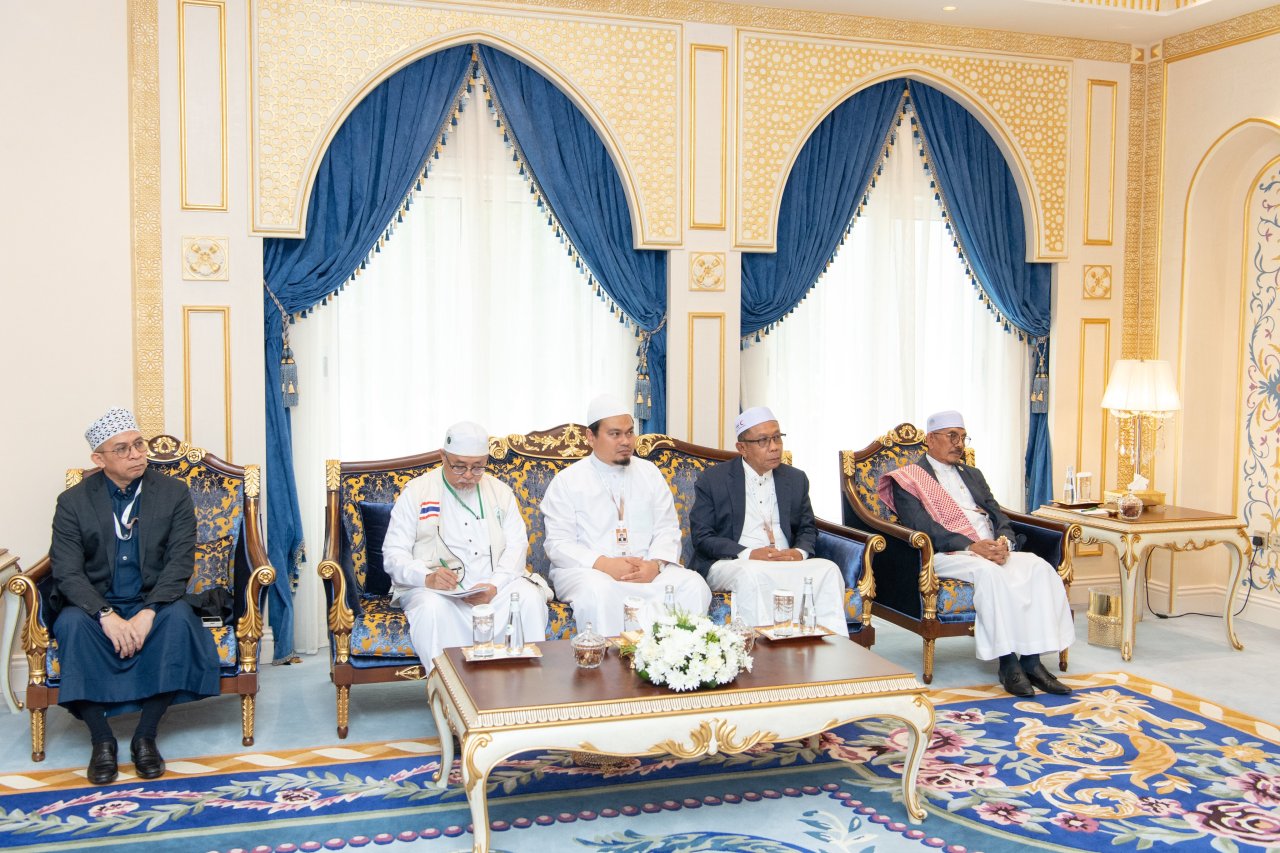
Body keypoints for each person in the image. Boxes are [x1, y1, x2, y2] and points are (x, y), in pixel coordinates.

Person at [48, 407, 221, 785]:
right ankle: (102, 739)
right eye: (123, 449)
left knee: (176, 621)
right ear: (99, 459)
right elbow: (67, 572)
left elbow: (180, 563)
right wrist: (105, 615)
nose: (137, 454)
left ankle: (146, 735)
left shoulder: (173, 493)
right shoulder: (73, 502)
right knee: (72, 625)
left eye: (139, 444)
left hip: (153, 599)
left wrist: (148, 613)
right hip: (95, 604)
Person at [878, 410, 1074, 697]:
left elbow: (997, 513)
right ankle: (1008, 664)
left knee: (1039, 568)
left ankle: (1033, 662)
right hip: (950, 553)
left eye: (962, 437)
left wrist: (1004, 542)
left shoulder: (973, 474)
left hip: (991, 549)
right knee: (990, 574)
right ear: (931, 439)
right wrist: (972, 546)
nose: (959, 444)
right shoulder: (908, 479)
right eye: (952, 436)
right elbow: (922, 526)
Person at [540, 395, 711, 635]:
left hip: (647, 569)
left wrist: (655, 564)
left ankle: (675, 663)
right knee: (599, 592)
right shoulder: (568, 481)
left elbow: (667, 528)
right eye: (615, 434)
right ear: (591, 437)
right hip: (590, 572)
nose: (625, 441)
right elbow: (559, 544)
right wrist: (605, 564)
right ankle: (610, 669)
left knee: (694, 585)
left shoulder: (649, 473)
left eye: (630, 433)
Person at [383, 422, 548, 669]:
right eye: (459, 466)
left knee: (528, 598)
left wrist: (494, 586)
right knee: (431, 609)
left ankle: (522, 691)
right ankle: (449, 695)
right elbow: (393, 554)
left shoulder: (500, 491)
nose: (469, 475)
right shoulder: (417, 492)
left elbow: (517, 546)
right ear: (443, 457)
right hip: (438, 591)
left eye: (478, 467)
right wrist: (427, 577)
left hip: (493, 588)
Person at [690, 407, 847, 633]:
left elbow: (807, 528)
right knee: (751, 574)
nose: (774, 447)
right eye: (763, 441)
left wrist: (798, 552)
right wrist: (748, 553)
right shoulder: (714, 479)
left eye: (777, 438)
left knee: (829, 570)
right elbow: (702, 536)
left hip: (784, 559)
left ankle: (830, 647)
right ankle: (760, 651)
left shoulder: (795, 478)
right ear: (742, 448)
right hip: (734, 562)